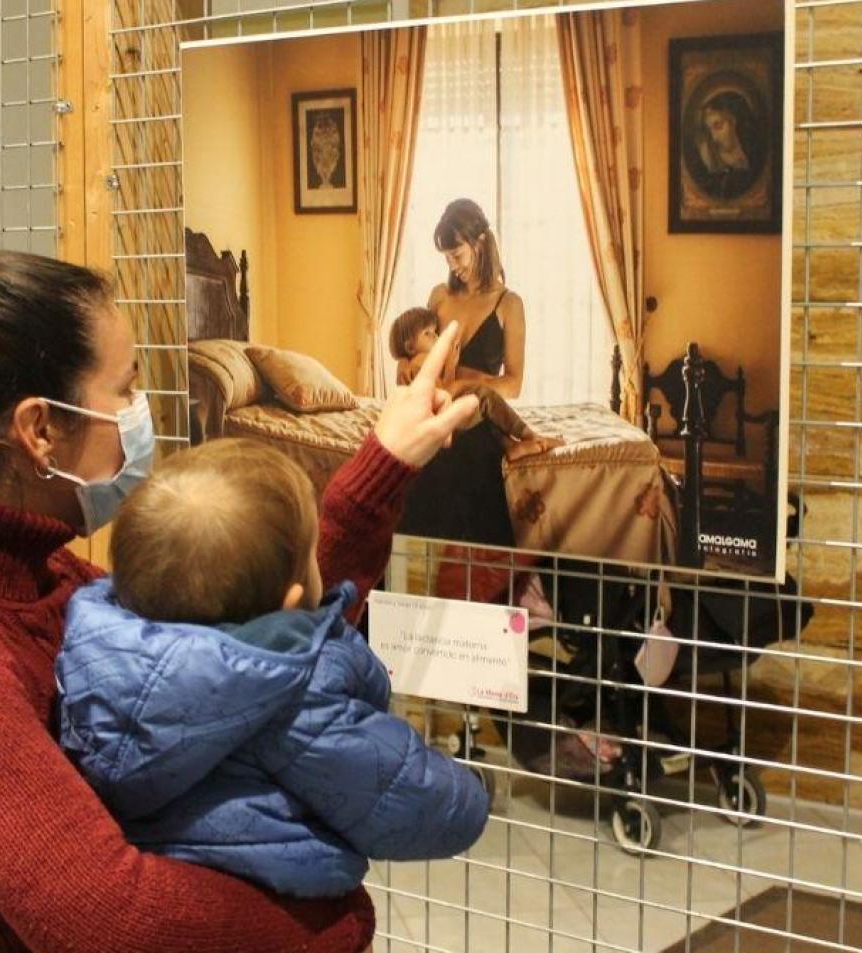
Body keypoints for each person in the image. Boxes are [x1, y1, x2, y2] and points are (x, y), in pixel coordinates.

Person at [0, 247, 479, 953]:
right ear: (40, 429)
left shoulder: (47, 577)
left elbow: (248, 649)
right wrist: (333, 919)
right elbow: (121, 927)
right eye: (126, 389)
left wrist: (386, 457)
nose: (141, 415)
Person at [58, 438, 490, 899]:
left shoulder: (94, 655)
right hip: (274, 905)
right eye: (313, 551)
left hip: (168, 897)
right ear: (289, 604)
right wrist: (471, 790)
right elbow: (422, 807)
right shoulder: (300, 699)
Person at [400, 199, 617, 779]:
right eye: (446, 253)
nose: (453, 262)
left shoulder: (508, 303)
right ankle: (468, 699)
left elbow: (514, 382)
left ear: (481, 241)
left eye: (459, 250)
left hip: (478, 425)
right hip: (445, 425)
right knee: (458, 561)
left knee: (476, 562)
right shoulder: (437, 298)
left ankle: (504, 660)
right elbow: (416, 360)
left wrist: (470, 381)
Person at [389, 306, 560, 464]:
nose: (436, 337)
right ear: (410, 347)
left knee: (481, 413)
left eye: (435, 332)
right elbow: (443, 395)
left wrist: (451, 366)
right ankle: (529, 435)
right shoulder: (420, 362)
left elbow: (439, 394)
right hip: (437, 426)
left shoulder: (410, 364)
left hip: (438, 420)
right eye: (428, 333)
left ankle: (511, 446)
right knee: (484, 396)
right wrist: (450, 366)